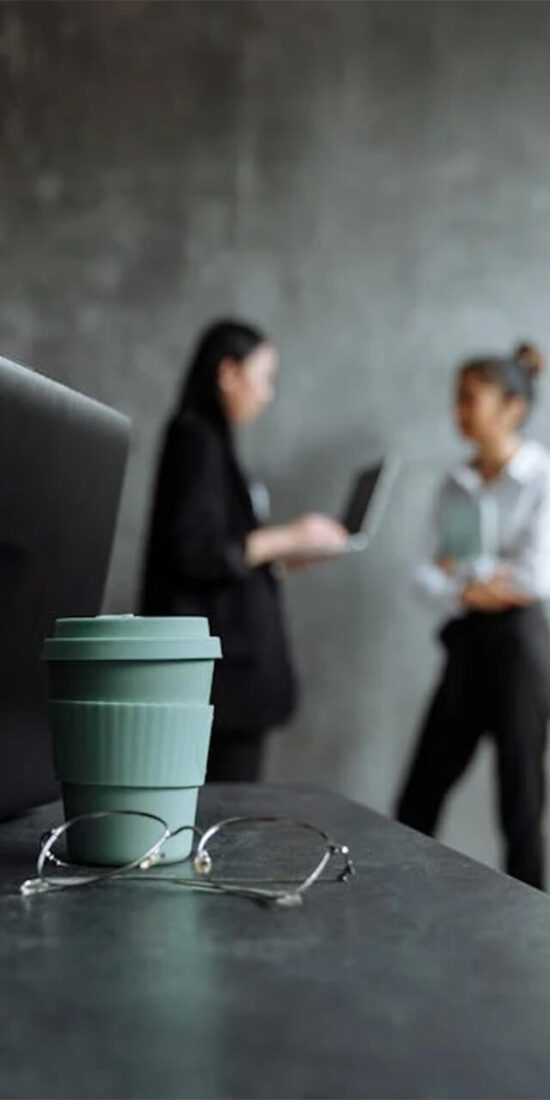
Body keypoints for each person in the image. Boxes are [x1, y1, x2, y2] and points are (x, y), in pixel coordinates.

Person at [140, 320, 348, 782]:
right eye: (265, 377)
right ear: (229, 372)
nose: (267, 394)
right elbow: (198, 552)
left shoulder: (212, 442)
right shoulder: (195, 437)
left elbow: (227, 557)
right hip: (218, 681)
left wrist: (286, 560)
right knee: (222, 812)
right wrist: (292, 535)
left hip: (230, 681)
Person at [396, 342, 550, 890]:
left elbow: (535, 577)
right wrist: (477, 583)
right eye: (456, 400)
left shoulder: (540, 477)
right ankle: (396, 901)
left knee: (521, 802)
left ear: (513, 408)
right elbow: (423, 577)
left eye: (470, 399)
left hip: (521, 650)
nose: (458, 412)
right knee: (419, 793)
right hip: (468, 644)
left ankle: (537, 929)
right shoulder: (455, 485)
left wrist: (458, 574)